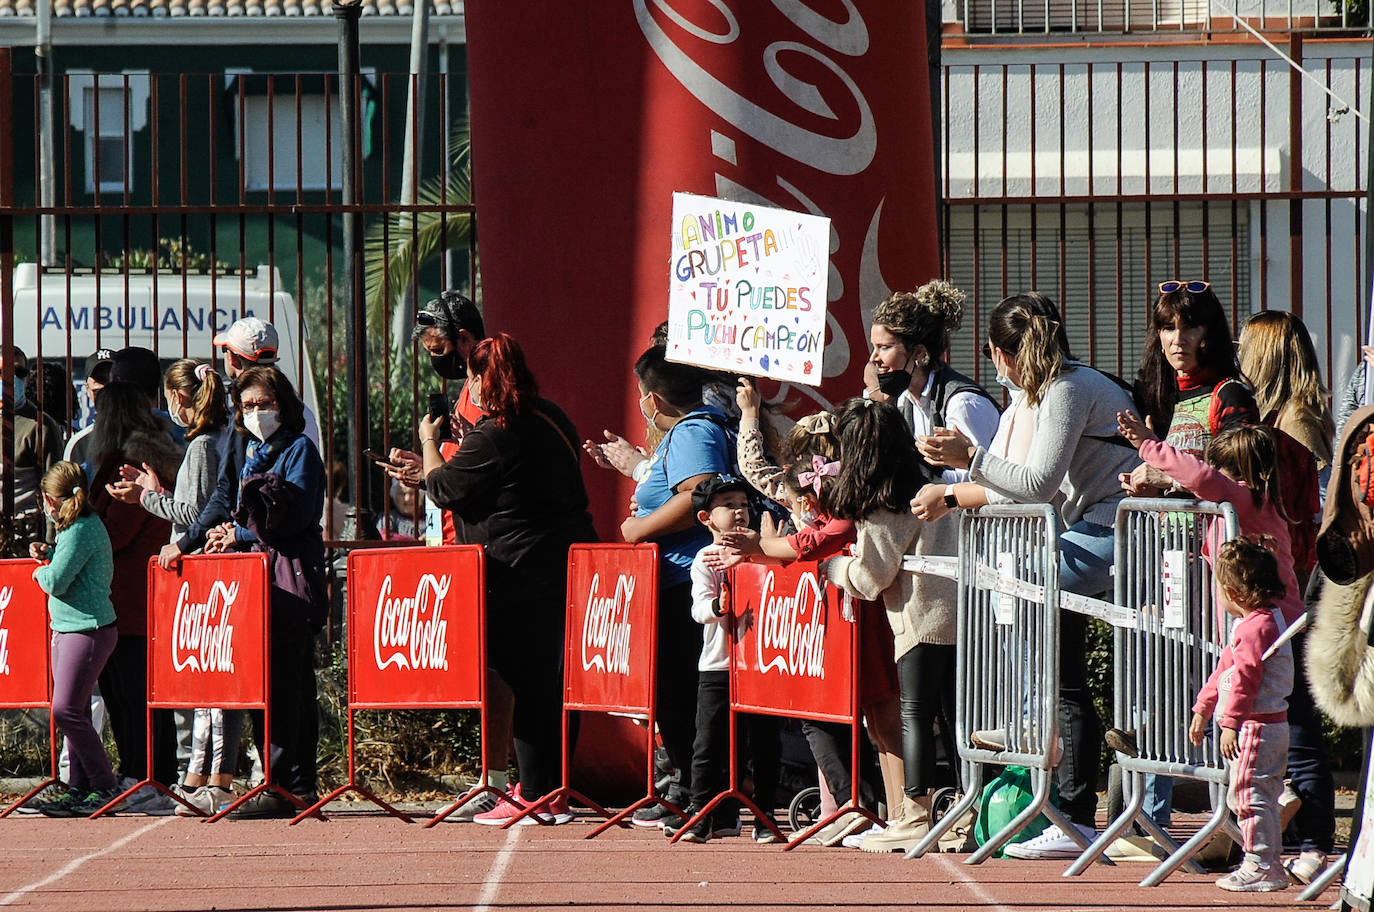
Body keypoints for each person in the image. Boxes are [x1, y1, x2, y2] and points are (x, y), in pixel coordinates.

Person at [911, 292, 1139, 858]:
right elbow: (1028, 484)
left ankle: (1031, 724)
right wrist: (959, 485)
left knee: (1021, 582)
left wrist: (968, 461)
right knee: (1020, 592)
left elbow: (1036, 485)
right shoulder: (1046, 391)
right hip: (1093, 524)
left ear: (999, 353)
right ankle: (1034, 728)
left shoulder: (1065, 389)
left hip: (1119, 526)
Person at [419, 334, 596, 825]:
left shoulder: (495, 433)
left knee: (530, 685)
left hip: (518, 571)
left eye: (472, 377)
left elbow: (443, 487)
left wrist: (430, 443)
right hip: (566, 564)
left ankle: (535, 794)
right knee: (554, 684)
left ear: (481, 379)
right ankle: (552, 789)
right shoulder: (551, 416)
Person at [820, 398, 958, 854]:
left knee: (915, 715)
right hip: (963, 613)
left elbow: (869, 578)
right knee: (955, 720)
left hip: (921, 617)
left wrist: (833, 568)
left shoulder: (883, 503)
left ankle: (916, 814)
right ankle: (963, 811)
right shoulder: (931, 482)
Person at [106, 359, 241, 817]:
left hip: (202, 573)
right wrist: (157, 491)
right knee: (205, 687)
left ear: (179, 398)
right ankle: (197, 776)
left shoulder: (202, 445)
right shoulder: (210, 441)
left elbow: (196, 516)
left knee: (210, 687)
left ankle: (211, 777)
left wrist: (147, 496)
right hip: (204, 572)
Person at [204, 365, 328, 818]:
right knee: (273, 686)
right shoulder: (253, 450)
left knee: (287, 687)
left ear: (284, 405)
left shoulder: (299, 450)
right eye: (248, 405)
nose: (256, 412)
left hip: (288, 583)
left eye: (265, 403)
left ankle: (287, 785)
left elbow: (291, 519)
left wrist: (238, 533)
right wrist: (231, 532)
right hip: (258, 582)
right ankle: (289, 784)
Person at [618, 346, 734, 828]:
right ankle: (694, 790)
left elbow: (700, 494)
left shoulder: (693, 431)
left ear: (654, 399)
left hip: (687, 578)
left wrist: (639, 528)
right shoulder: (690, 430)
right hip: (673, 577)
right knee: (678, 694)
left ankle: (704, 798)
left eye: (641, 394)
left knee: (684, 694)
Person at [666, 474, 781, 844]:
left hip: (760, 665)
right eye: (728, 505)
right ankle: (702, 814)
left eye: (744, 504)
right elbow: (699, 608)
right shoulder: (706, 558)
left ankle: (764, 816)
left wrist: (764, 551)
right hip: (719, 664)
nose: (739, 512)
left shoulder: (764, 550)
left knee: (763, 743)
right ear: (706, 518)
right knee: (708, 745)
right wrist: (719, 605)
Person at [87, 380, 184, 813]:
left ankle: (146, 776)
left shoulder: (127, 463)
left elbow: (116, 532)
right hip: (132, 595)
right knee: (130, 694)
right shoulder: (146, 456)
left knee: (132, 694)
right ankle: (142, 773)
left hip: (128, 596)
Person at [1190, 537, 1294, 893]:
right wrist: (1203, 707)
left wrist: (1229, 723)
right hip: (1264, 725)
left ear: (1233, 592)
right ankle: (1266, 858)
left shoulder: (1255, 627)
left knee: (1249, 797)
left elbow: (1245, 679)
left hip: (1256, 726)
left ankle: (1261, 864)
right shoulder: (1256, 622)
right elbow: (1225, 670)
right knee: (1250, 795)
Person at [28, 461, 119, 818]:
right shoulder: (72, 529)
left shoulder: (82, 528)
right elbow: (68, 566)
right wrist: (50, 555)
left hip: (88, 629)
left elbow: (56, 581)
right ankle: (79, 787)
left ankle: (104, 785)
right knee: (75, 711)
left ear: (50, 501)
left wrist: (39, 571)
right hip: (69, 628)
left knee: (64, 709)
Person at [864, 282, 1000, 454]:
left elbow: (978, 468)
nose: (873, 358)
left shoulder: (962, 404)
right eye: (874, 347)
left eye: (884, 347)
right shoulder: (905, 400)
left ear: (919, 353)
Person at [2, 346, 64, 522]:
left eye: (19, 372)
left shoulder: (42, 426)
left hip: (24, 531)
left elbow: (54, 490)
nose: (11, 378)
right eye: (2, 372)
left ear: (28, 377)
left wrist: (51, 535)